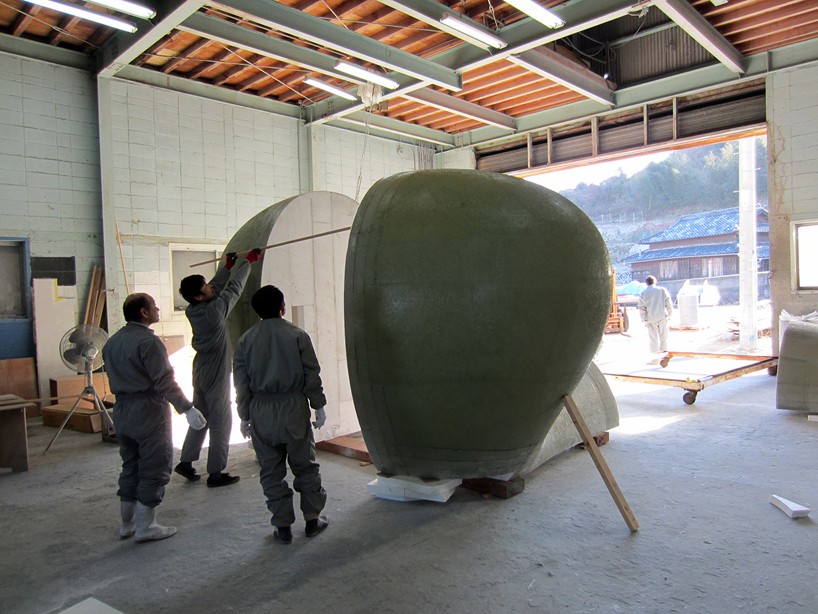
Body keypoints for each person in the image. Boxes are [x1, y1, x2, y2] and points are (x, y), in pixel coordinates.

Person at [102, 293, 207, 543]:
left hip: (122, 409)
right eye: (154, 306)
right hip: (146, 409)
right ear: (143, 313)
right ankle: (146, 526)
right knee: (154, 466)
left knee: (131, 465)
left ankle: (127, 525)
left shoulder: (112, 342)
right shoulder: (149, 343)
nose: (158, 309)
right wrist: (187, 408)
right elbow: (164, 381)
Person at [233, 285, 329, 544]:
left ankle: (283, 526)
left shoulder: (245, 341)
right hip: (293, 409)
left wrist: (243, 415)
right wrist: (318, 405)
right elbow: (311, 374)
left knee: (271, 472)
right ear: (282, 307)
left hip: (261, 411)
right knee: (305, 466)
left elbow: (241, 384)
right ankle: (312, 519)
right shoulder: (297, 335)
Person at [175, 248, 263, 487]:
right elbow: (233, 289)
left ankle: (186, 461)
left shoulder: (194, 309)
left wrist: (226, 266)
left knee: (200, 416)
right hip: (215, 370)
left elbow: (216, 286)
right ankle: (215, 472)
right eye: (206, 288)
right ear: (200, 297)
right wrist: (247, 264)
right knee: (222, 419)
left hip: (200, 368)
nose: (211, 287)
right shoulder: (214, 311)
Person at [638, 275, 674, 356]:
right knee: (664, 337)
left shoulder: (643, 293)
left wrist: (644, 319)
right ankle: (664, 353)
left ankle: (654, 355)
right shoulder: (662, 290)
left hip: (651, 318)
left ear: (646, 283)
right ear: (655, 281)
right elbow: (668, 302)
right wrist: (670, 314)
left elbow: (641, 307)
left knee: (653, 338)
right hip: (662, 317)